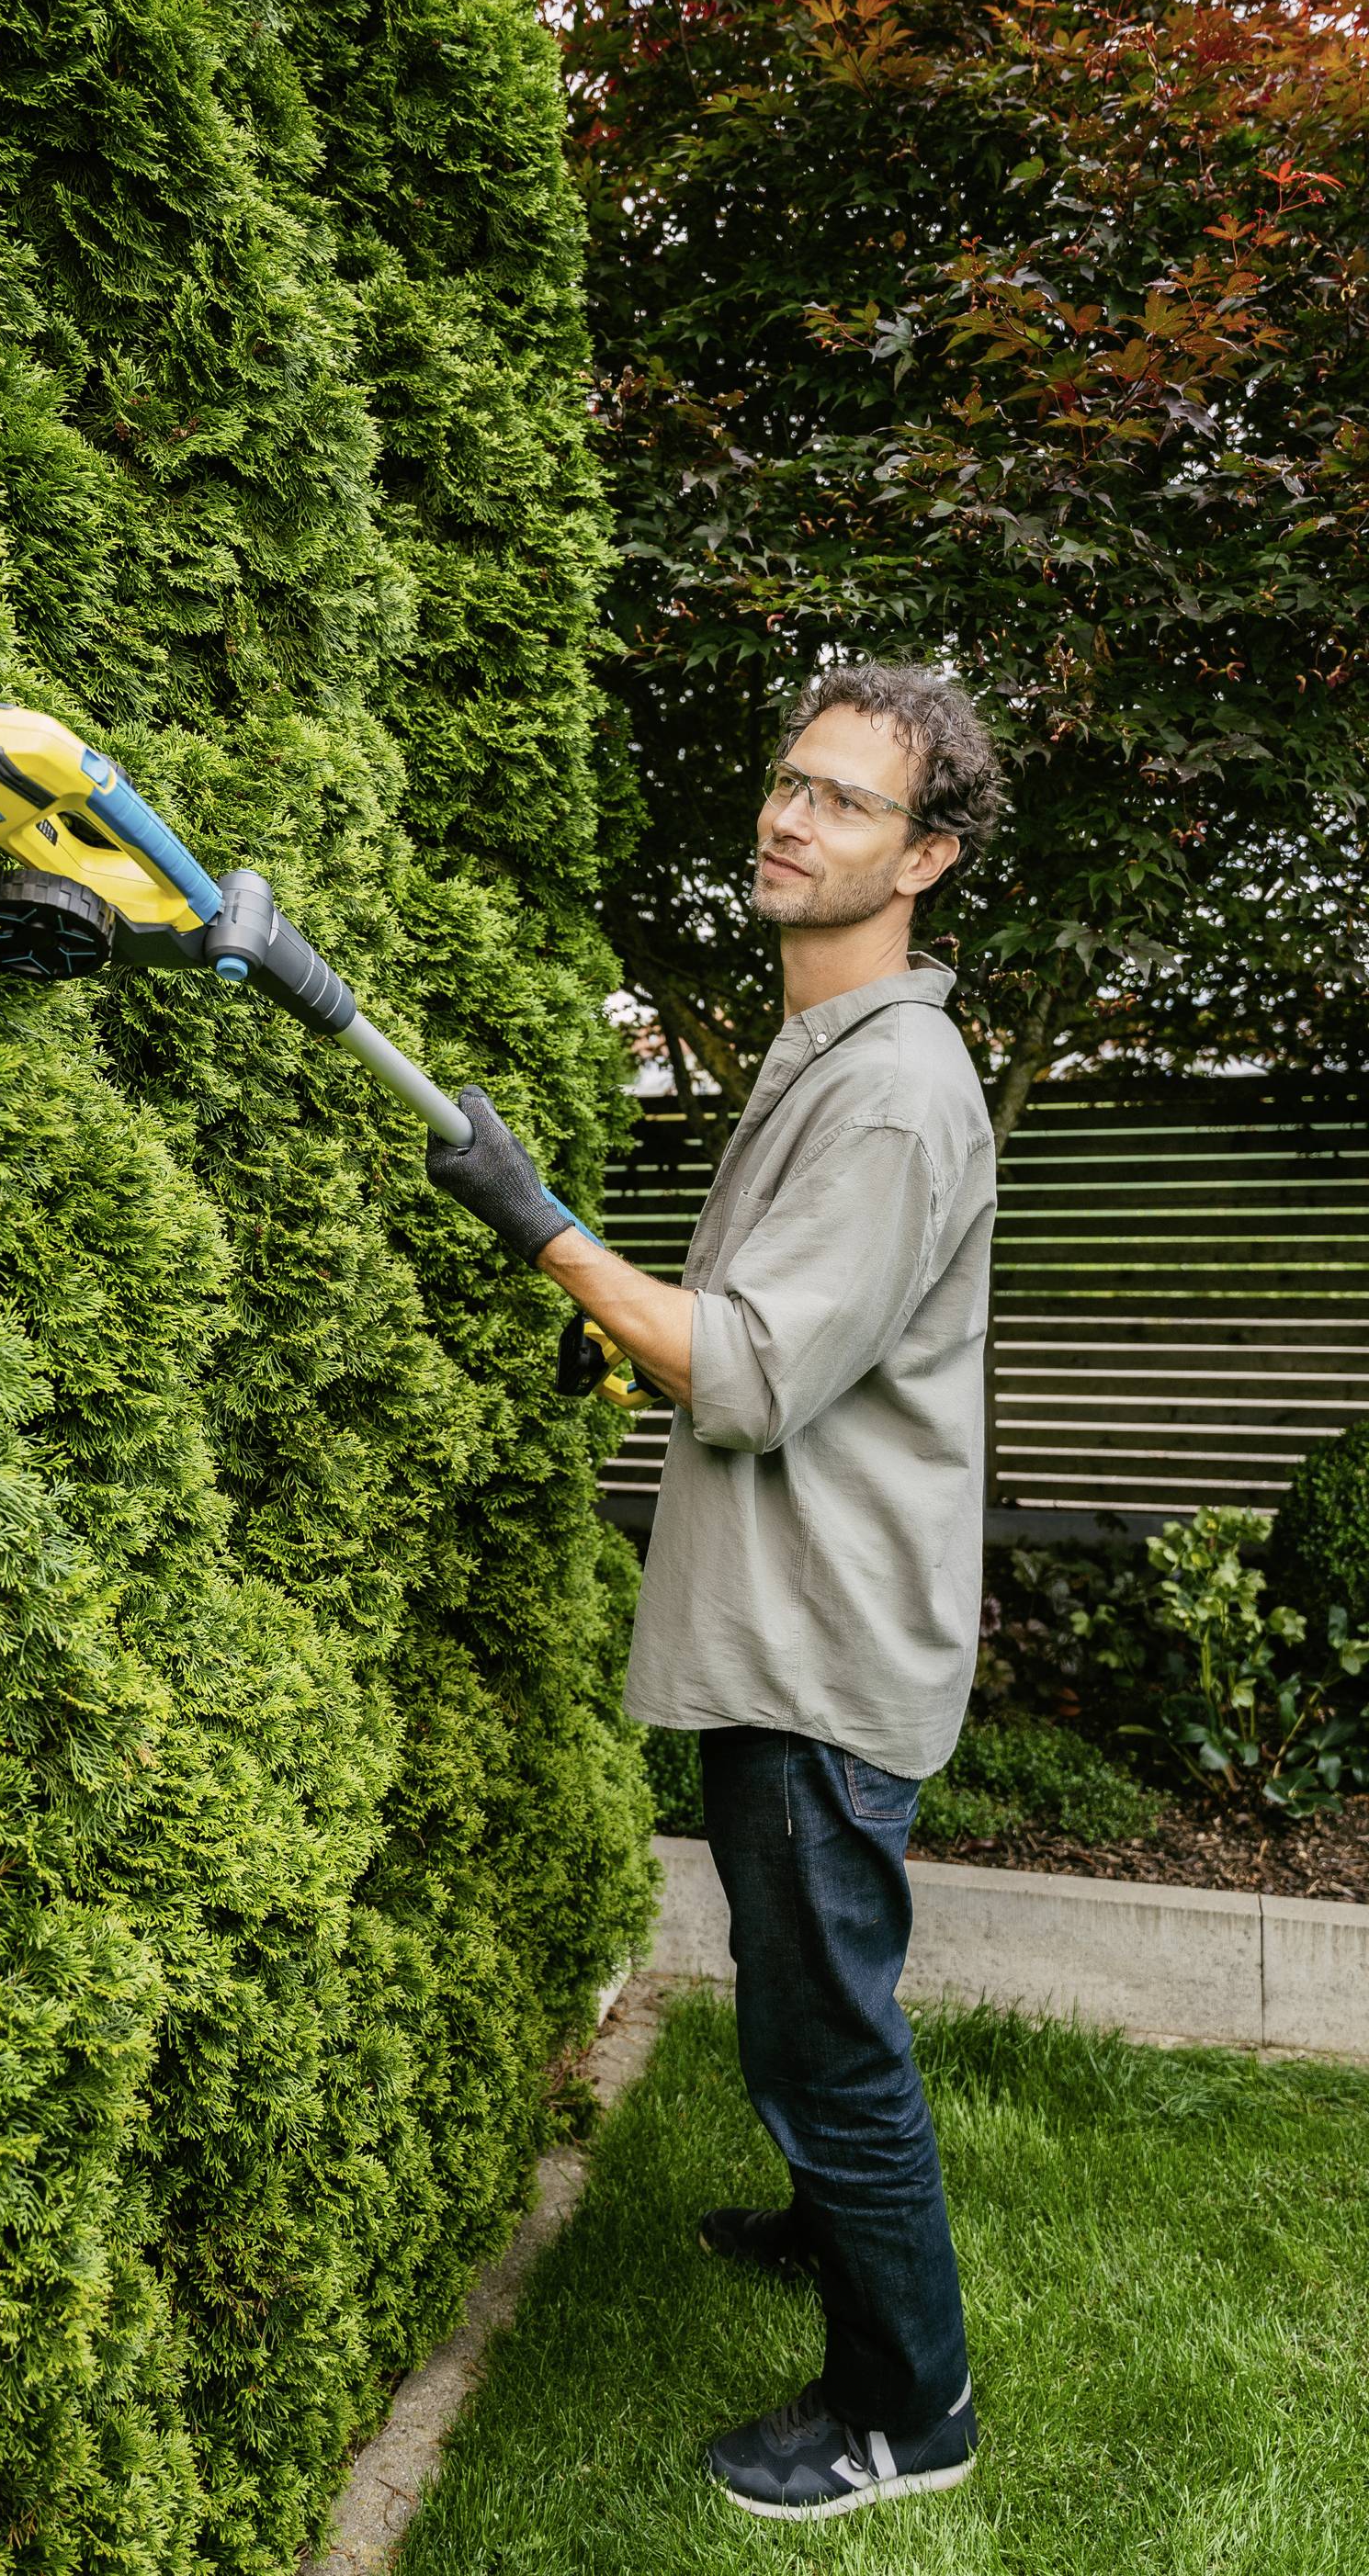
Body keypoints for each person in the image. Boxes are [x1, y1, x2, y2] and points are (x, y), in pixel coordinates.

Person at [425, 661, 1004, 2524]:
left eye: (842, 801)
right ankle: (832, 2219)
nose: (787, 816)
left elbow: (748, 1372)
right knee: (792, 1989)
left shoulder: (897, 1093)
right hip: (798, 1614)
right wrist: (622, 1336)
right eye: (786, 781)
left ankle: (905, 2415)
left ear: (923, 854)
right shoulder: (826, 1044)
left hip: (821, 1651)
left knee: (828, 2032)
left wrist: (542, 1229)